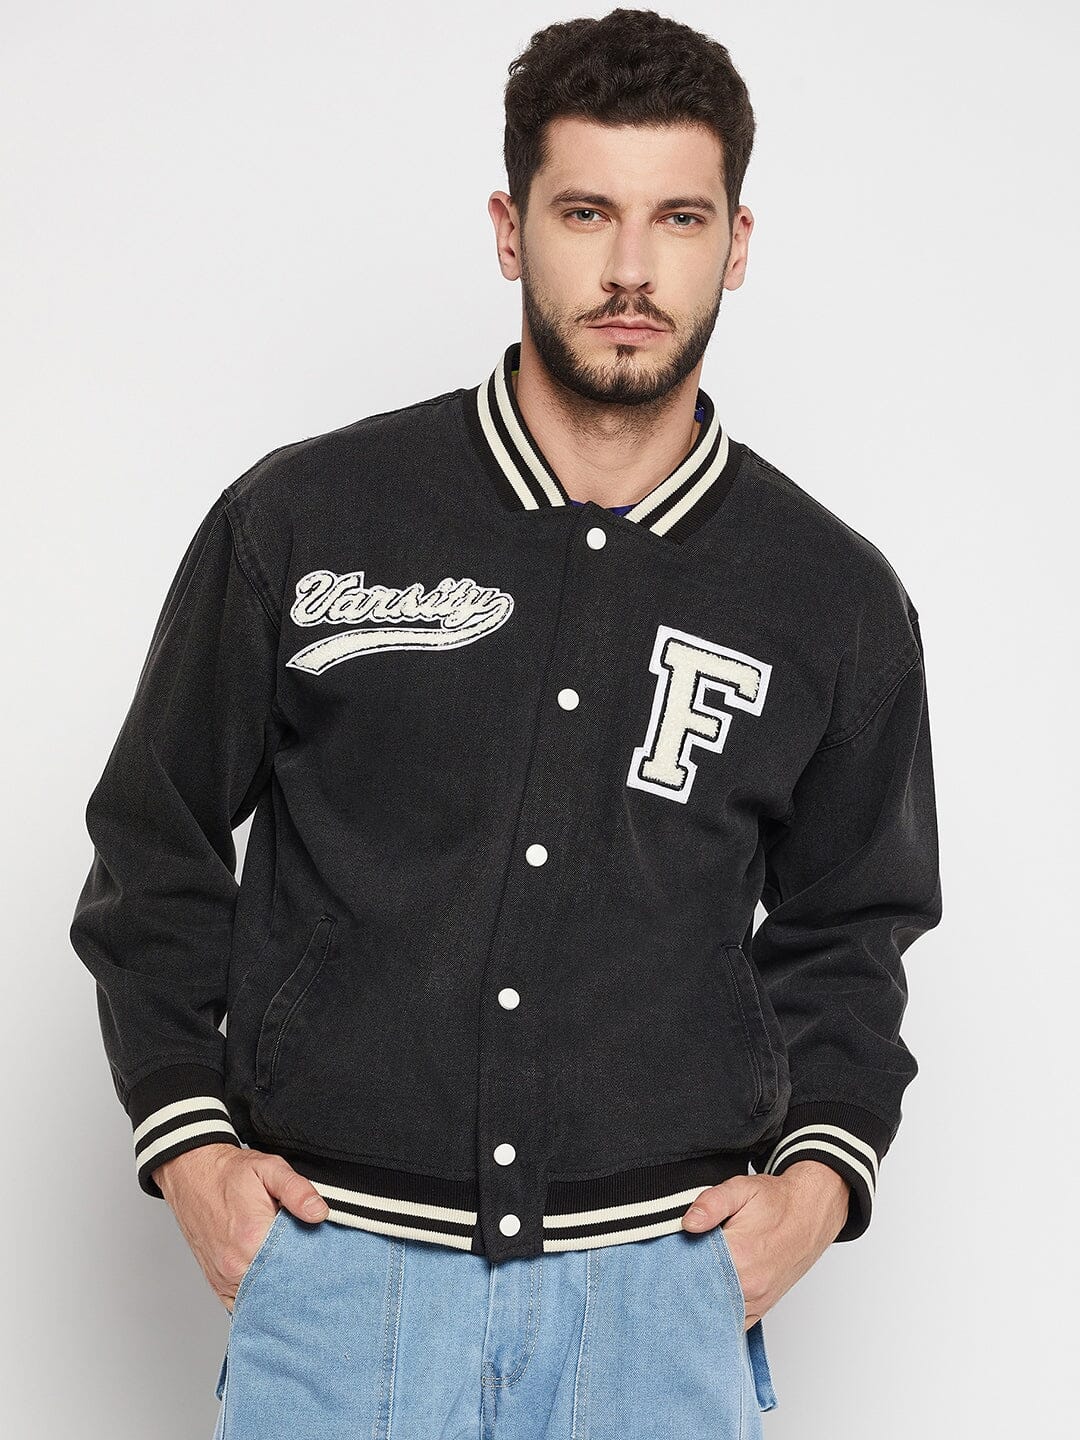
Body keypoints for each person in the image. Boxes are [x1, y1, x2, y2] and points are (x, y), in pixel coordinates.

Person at [69, 9, 942, 1437]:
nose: (629, 269)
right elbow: (151, 842)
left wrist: (819, 1181)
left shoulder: (829, 596)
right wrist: (193, 1151)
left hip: (660, 1301)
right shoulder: (306, 519)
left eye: (677, 219)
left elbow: (853, 928)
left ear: (736, 243)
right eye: (585, 212)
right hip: (336, 1277)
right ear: (508, 227)